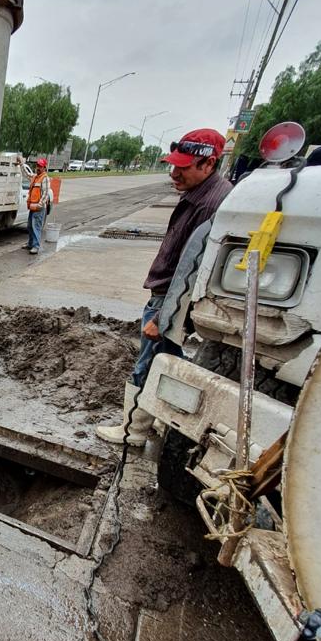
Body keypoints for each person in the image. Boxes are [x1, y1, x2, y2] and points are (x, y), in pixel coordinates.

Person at [96, 128, 232, 446]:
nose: (174, 173)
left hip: (169, 300)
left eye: (182, 167)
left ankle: (133, 431)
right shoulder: (205, 196)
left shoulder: (208, 205)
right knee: (169, 360)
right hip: (169, 298)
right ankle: (157, 417)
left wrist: (165, 316)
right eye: (173, 165)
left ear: (208, 164)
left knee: (151, 362)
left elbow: (190, 270)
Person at [26, 157, 50, 254]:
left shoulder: (45, 178)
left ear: (44, 167)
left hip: (38, 209)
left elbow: (45, 194)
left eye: (40, 166)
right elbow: (27, 174)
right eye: (37, 166)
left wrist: (39, 206)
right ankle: (30, 244)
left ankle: (36, 246)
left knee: (36, 227)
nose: (38, 168)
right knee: (30, 226)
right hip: (33, 207)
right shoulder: (36, 177)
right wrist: (22, 165)